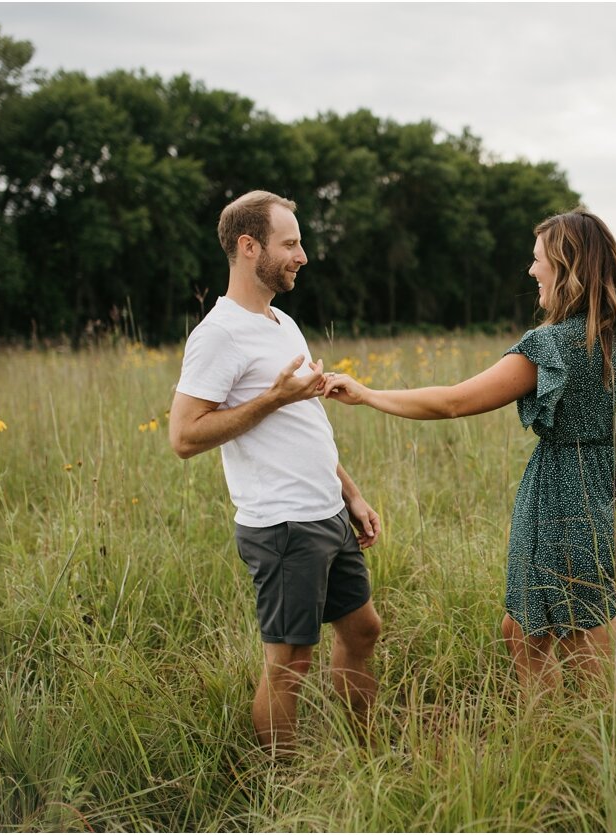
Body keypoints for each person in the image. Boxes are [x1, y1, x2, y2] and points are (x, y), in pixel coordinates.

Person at [323, 208, 616, 689]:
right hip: (612, 496)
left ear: (566, 267)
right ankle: (557, 735)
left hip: (560, 500)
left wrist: (368, 394)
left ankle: (579, 745)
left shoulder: (552, 345)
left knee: (579, 640)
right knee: (529, 630)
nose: (531, 270)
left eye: (537, 259)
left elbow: (455, 402)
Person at [167, 190, 386, 750]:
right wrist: (273, 398)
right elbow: (184, 436)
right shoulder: (218, 334)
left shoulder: (281, 321)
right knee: (290, 662)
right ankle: (280, 790)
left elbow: (304, 423)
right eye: (290, 244)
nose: (302, 255)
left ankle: (362, 751)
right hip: (283, 526)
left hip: (326, 511)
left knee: (363, 631)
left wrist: (351, 495)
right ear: (248, 247)